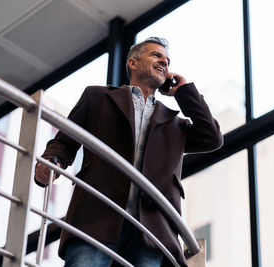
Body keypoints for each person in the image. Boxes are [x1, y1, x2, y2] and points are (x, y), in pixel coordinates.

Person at [34, 37, 223, 267]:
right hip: (97, 218)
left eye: (167, 60)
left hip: (151, 233)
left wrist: (184, 93)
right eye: (156, 55)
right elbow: (64, 142)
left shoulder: (176, 125)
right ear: (133, 63)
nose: (164, 61)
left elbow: (211, 138)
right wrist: (50, 163)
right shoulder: (97, 98)